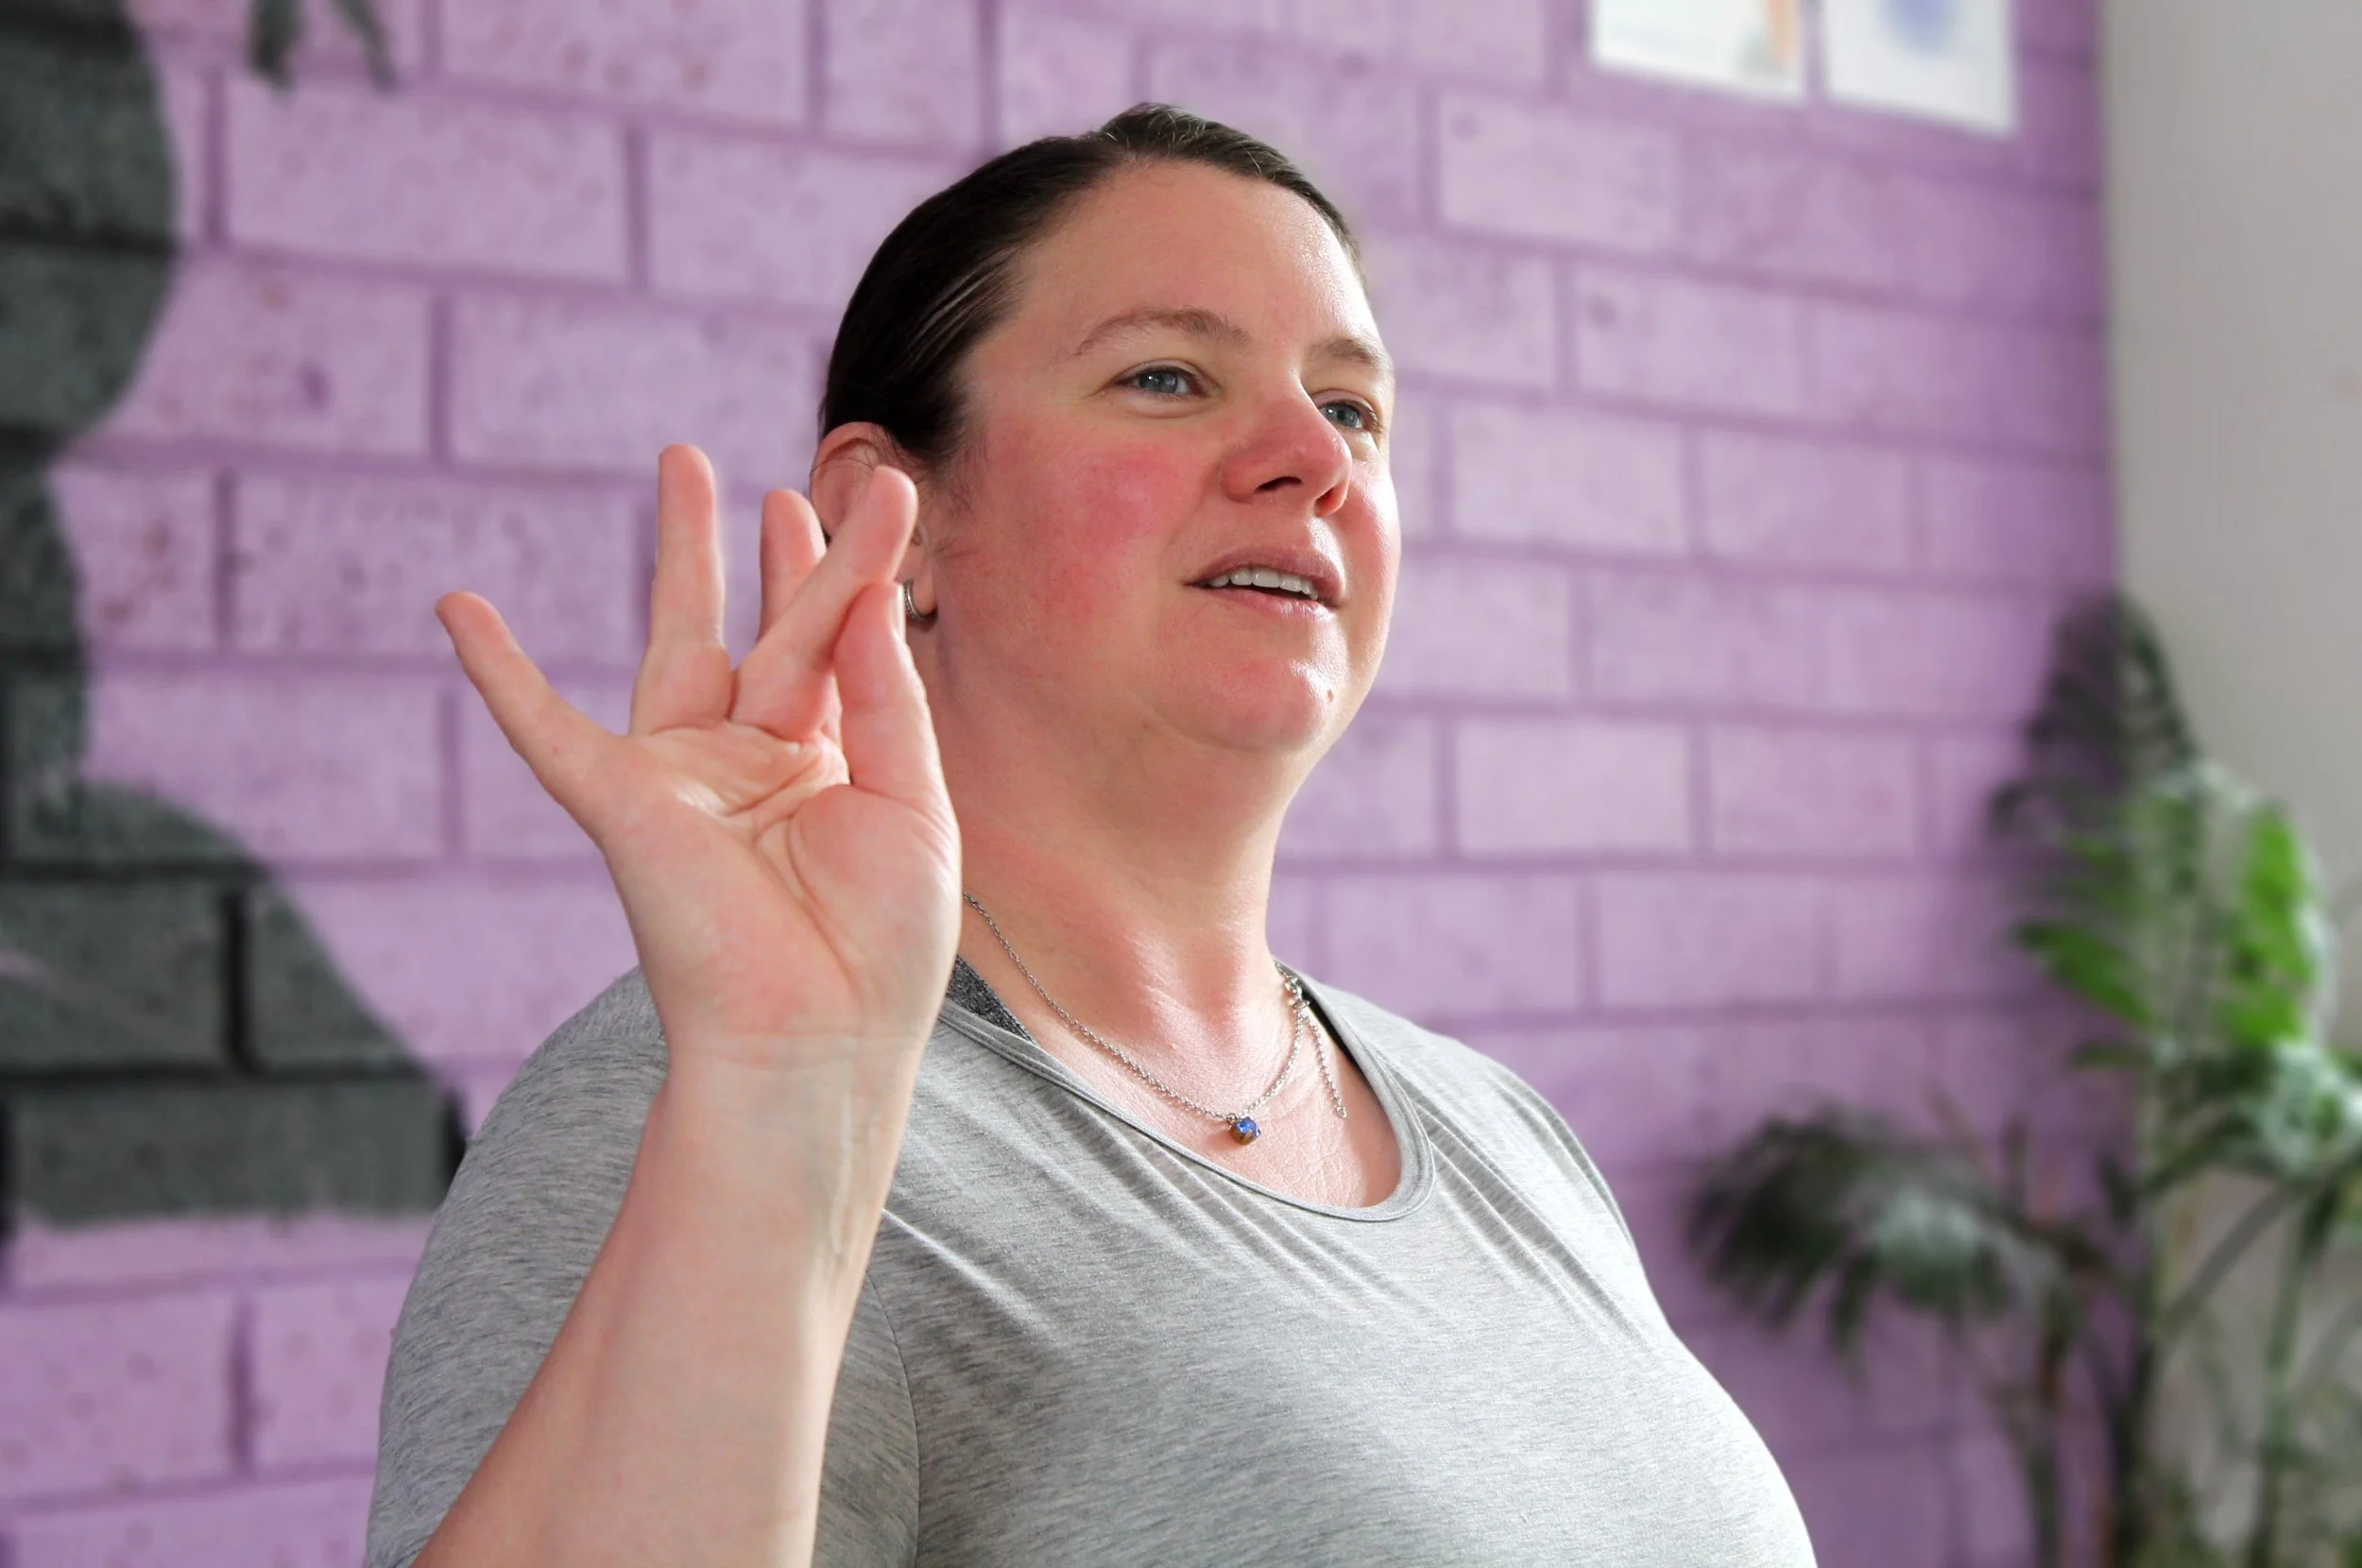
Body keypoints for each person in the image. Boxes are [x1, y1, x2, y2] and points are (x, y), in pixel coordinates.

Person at [366, 106, 1818, 1568]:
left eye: (1352, 409)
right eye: (1167, 377)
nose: (1311, 456)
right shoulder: (702, 1099)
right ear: (894, 523)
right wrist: (774, 1093)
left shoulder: (1503, 1135)